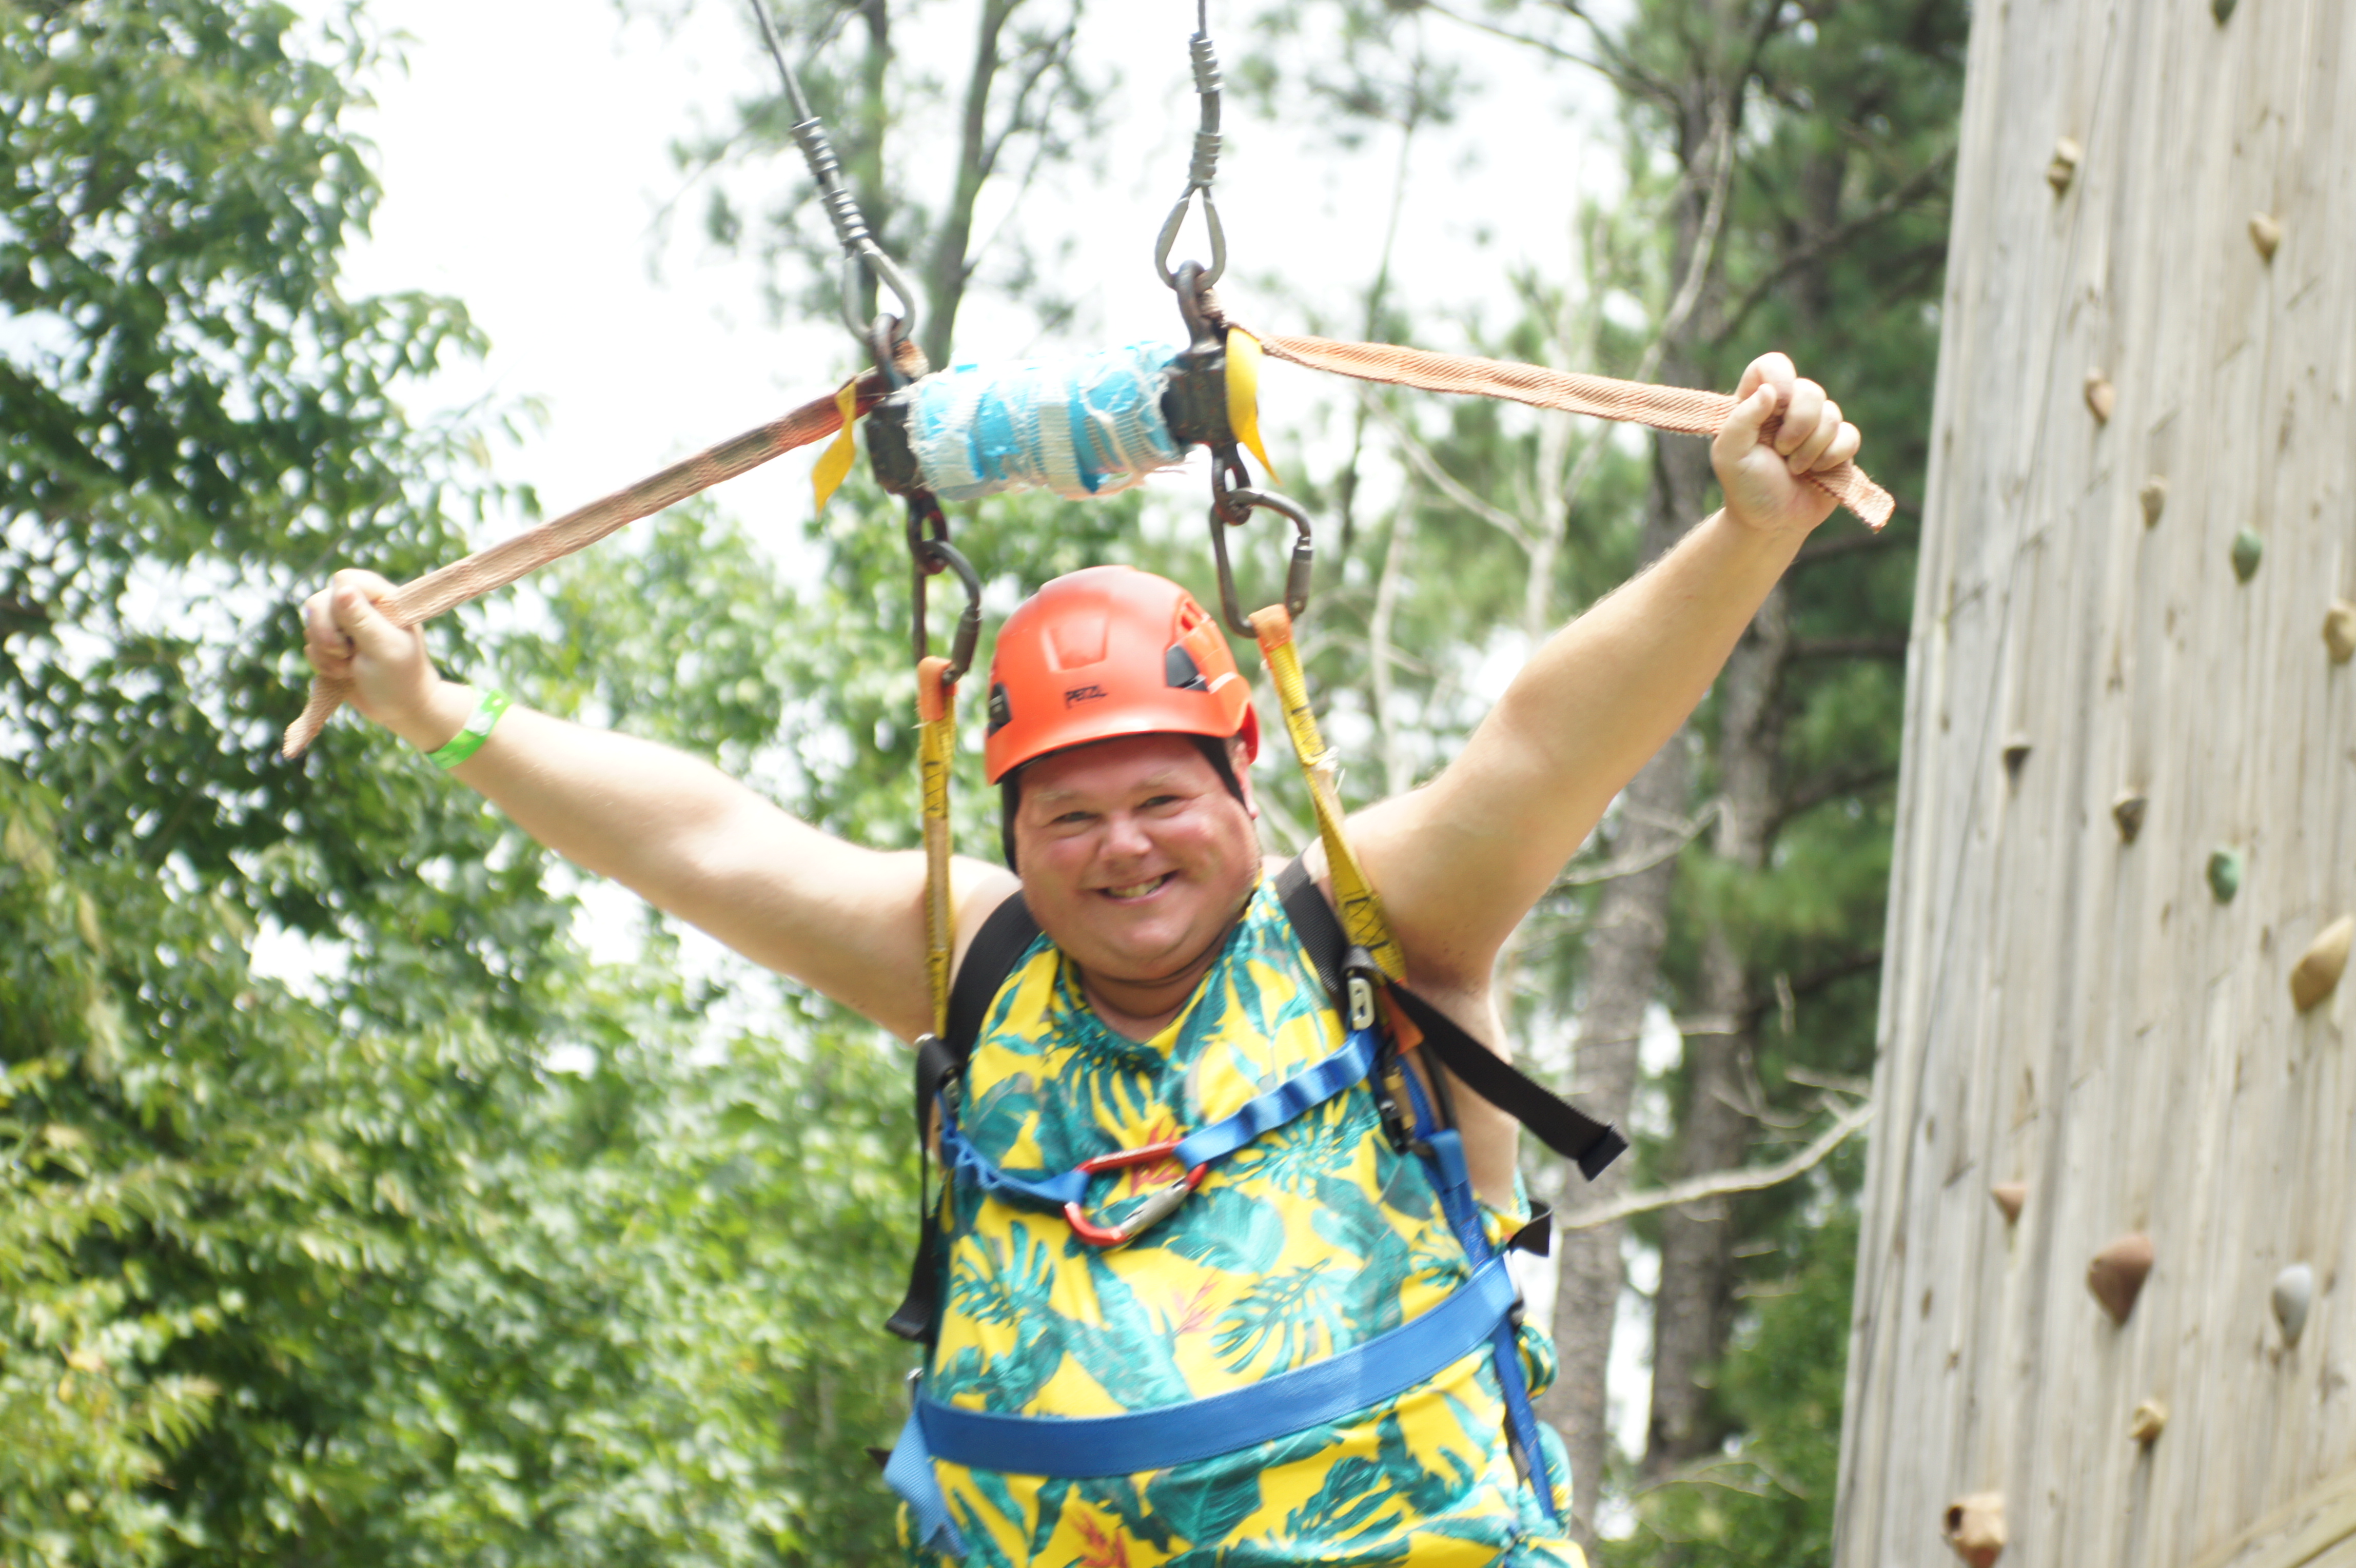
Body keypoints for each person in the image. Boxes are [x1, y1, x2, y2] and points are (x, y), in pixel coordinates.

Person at [303, 351, 1861, 1566]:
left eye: (1162, 799)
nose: (1123, 849)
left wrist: (1747, 530)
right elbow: (711, 844)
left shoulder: (1369, 934)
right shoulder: (978, 967)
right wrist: (440, 714)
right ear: (1014, 829)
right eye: (1073, 814)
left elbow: (1542, 740)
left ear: (1239, 792)